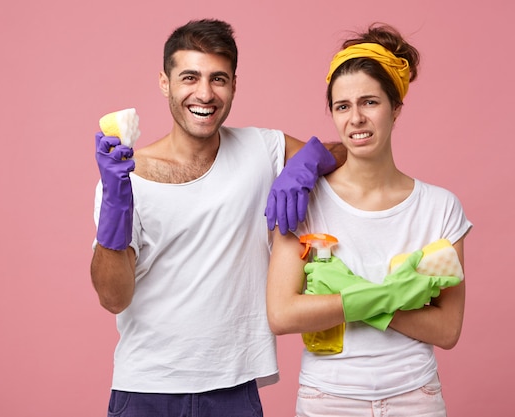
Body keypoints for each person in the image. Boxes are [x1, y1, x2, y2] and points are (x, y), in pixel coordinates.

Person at [91, 19, 343, 417]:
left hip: (233, 387)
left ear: (234, 85)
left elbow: (342, 151)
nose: (204, 93)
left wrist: (309, 162)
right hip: (145, 389)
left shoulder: (263, 149)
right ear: (164, 82)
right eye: (189, 77)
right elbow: (113, 297)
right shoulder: (127, 176)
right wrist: (115, 206)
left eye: (218, 79)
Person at [266, 23, 473, 416]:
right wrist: (399, 295)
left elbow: (447, 329)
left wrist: (346, 292)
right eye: (343, 106)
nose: (356, 118)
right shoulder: (303, 202)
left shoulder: (441, 208)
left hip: (415, 397)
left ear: (396, 108)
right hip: (327, 399)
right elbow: (282, 314)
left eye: (370, 102)